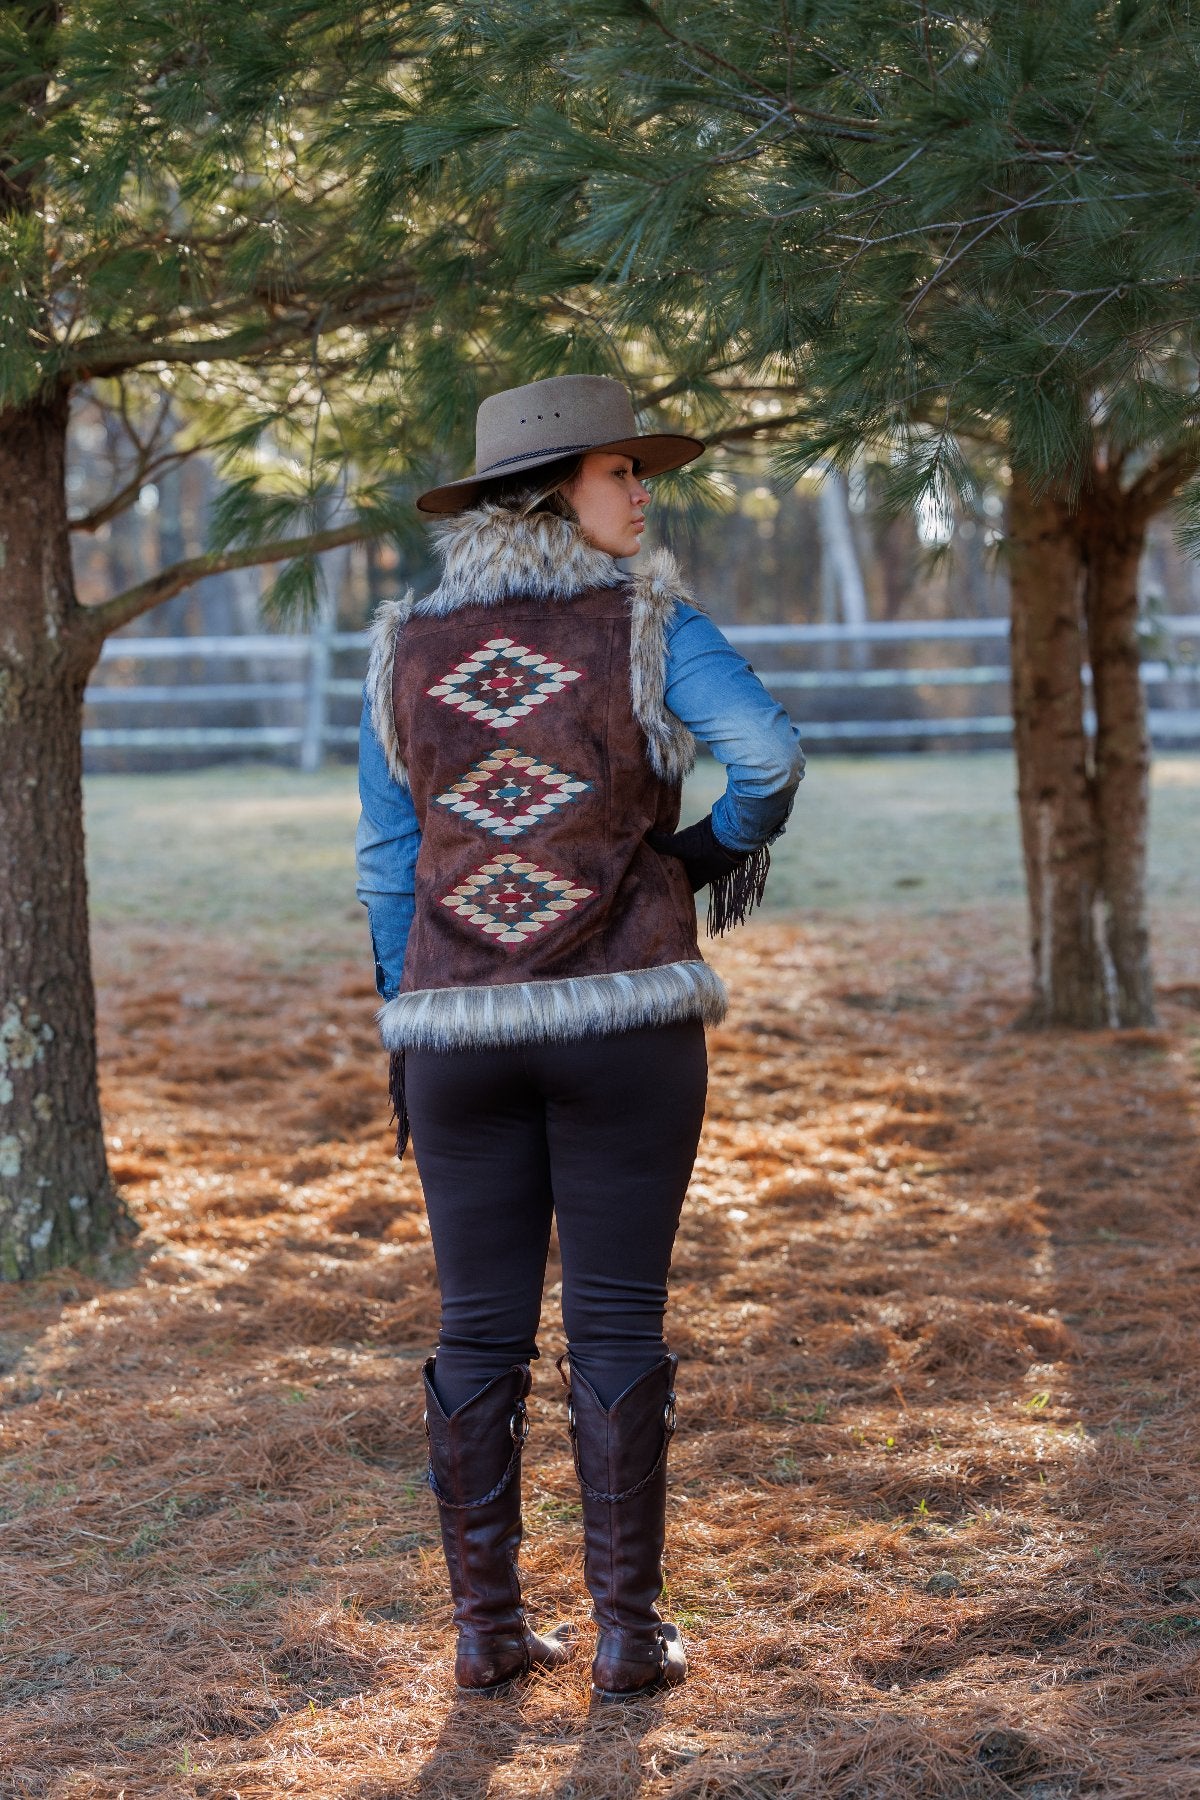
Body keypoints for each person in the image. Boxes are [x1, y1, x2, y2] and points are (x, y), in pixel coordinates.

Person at [356, 373, 804, 1701]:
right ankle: (626, 1632)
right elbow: (769, 758)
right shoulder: (649, 626)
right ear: (558, 488)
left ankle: (488, 1630)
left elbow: (389, 865)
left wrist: (411, 1011)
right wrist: (697, 853)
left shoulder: (405, 650)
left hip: (456, 1033)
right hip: (625, 1020)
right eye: (623, 471)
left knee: (476, 1327)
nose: (643, 491)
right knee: (615, 1318)